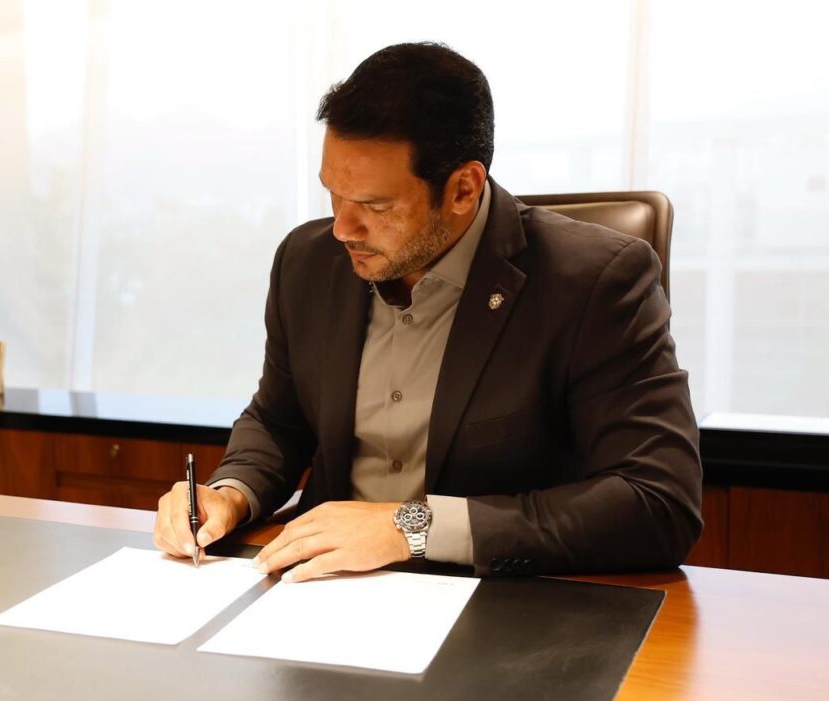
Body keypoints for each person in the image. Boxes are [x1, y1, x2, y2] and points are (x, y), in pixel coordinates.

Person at [153, 42, 702, 581]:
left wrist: (411, 527)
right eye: (334, 194)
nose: (343, 228)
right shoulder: (307, 261)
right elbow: (279, 420)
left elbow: (659, 502)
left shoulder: (595, 281)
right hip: (320, 588)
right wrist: (229, 494)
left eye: (375, 205)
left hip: (500, 601)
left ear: (463, 189)